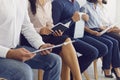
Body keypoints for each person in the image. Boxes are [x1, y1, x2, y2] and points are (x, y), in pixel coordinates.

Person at [0, 0, 62, 80]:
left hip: (13, 49)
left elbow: (27, 27)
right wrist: (9, 53)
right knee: (24, 72)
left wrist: (41, 45)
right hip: (4, 52)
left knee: (55, 61)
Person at [27, 0, 82, 80]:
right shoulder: (27, 3)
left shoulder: (48, 3)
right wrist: (40, 30)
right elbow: (24, 27)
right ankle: (77, 78)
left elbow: (50, 23)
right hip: (32, 38)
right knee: (65, 43)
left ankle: (76, 77)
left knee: (65, 43)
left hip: (47, 36)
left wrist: (54, 30)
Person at [52, 0, 108, 77]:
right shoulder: (57, 3)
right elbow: (54, 27)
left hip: (78, 35)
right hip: (64, 38)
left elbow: (78, 22)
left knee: (103, 48)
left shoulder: (76, 4)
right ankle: (72, 75)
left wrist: (84, 18)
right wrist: (72, 20)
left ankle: (71, 74)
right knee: (93, 52)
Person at [80, 0, 120, 79]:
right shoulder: (84, 7)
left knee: (114, 42)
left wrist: (107, 28)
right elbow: (82, 26)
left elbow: (99, 24)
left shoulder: (97, 8)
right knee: (110, 43)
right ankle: (107, 68)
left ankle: (115, 67)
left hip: (98, 30)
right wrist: (92, 32)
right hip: (90, 32)